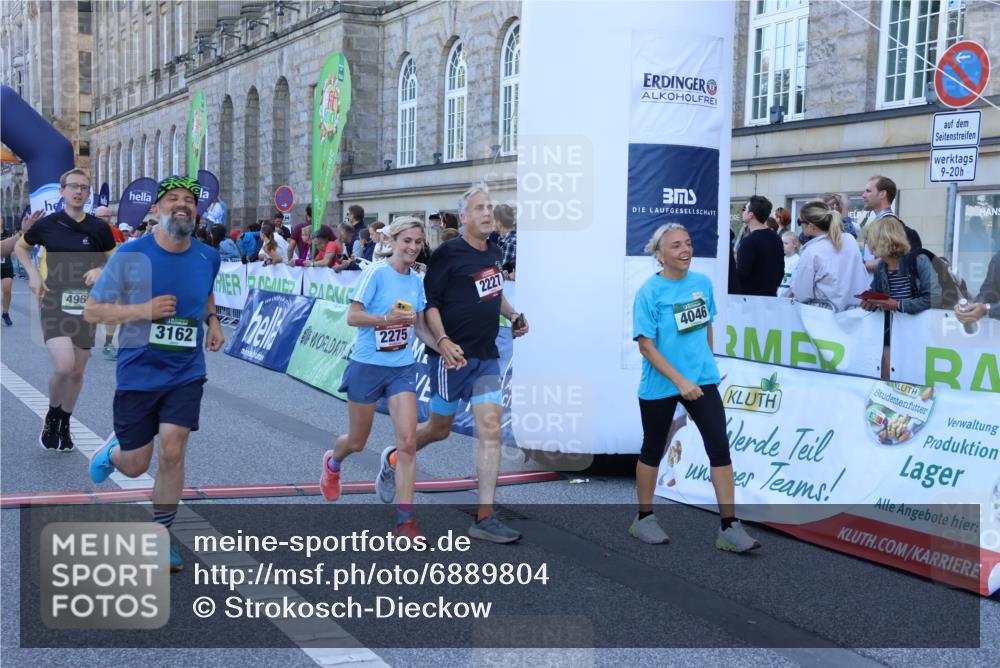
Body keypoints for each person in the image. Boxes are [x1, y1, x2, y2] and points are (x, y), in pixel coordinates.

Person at [373, 185, 529, 543]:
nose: (488, 213)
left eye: (490, 207)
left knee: (490, 431)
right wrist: (443, 342)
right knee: (440, 428)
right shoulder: (448, 253)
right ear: (465, 217)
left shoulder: (492, 250)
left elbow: (494, 290)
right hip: (451, 359)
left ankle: (485, 516)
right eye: (480, 209)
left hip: (487, 356)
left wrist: (513, 314)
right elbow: (431, 304)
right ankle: (395, 459)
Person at [85, 175, 225, 573]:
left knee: (173, 448)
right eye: (173, 199)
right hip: (138, 370)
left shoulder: (207, 256)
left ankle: (161, 536)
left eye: (189, 201)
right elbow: (94, 311)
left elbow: (207, 290)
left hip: (185, 369)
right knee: (134, 464)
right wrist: (142, 310)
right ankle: (112, 452)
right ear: (156, 209)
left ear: (196, 212)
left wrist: (213, 320)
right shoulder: (131, 255)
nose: (182, 205)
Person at [632, 222, 760, 552]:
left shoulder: (702, 284)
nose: (685, 250)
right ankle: (643, 519)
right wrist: (680, 381)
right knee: (653, 448)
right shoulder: (649, 292)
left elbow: (706, 328)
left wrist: (708, 367)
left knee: (719, 446)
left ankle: (729, 528)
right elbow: (646, 346)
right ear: (660, 255)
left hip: (702, 380)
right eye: (676, 246)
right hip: (662, 382)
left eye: (688, 243)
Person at [320, 217, 437, 541]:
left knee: (409, 443)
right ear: (394, 242)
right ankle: (333, 462)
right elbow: (352, 316)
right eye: (407, 241)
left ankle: (405, 522)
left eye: (417, 242)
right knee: (357, 442)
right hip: (367, 366)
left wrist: (444, 346)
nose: (413, 247)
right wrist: (385, 319)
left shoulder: (416, 281)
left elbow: (419, 326)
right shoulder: (376, 273)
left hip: (401, 367)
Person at [13, 169, 116, 452]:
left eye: (84, 187)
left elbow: (115, 260)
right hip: (54, 302)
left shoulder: (98, 227)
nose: (79, 192)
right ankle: (52, 414)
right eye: (73, 186)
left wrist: (99, 269)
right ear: (62, 191)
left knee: (77, 371)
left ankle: (66, 421)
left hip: (85, 305)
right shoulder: (47, 224)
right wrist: (33, 275)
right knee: (63, 366)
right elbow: (21, 248)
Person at [862, 216, 940, 379]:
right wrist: (870, 302)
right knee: (886, 374)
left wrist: (898, 305)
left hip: (919, 336)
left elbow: (935, 298)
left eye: (869, 238)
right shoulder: (882, 266)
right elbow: (877, 294)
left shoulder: (919, 260)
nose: (866, 243)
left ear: (881, 239)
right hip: (893, 335)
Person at [790, 201, 869, 312]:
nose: (800, 225)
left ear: (811, 226)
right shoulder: (850, 240)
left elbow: (801, 294)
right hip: (854, 314)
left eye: (800, 222)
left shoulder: (811, 251)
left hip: (824, 317)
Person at [860, 175, 921, 272]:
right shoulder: (882, 222)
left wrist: (861, 264)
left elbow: (893, 261)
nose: (863, 195)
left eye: (868, 191)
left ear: (882, 194)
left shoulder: (889, 225)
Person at [735, 195, 784, 296]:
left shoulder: (749, 242)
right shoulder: (776, 238)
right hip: (771, 297)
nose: (743, 211)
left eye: (745, 209)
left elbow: (741, 276)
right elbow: (780, 272)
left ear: (751, 215)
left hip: (750, 301)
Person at [94, 205, 122, 360]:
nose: (104, 219)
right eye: (100, 217)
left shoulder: (116, 232)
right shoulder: (89, 232)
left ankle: (108, 344)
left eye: (107, 216)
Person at [954, 250, 1000, 325]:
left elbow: (985, 307)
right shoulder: (998, 259)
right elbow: (987, 294)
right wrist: (970, 307)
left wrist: (986, 309)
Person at [494, 203, 517, 279]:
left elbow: (498, 274)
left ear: (499, 223)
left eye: (493, 220)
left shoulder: (509, 243)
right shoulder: (503, 240)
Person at [778, 231, 800, 297]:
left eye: (786, 243)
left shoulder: (797, 260)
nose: (783, 246)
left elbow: (794, 285)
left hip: (787, 300)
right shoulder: (781, 259)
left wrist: (787, 298)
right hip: (777, 297)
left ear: (795, 245)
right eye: (782, 243)